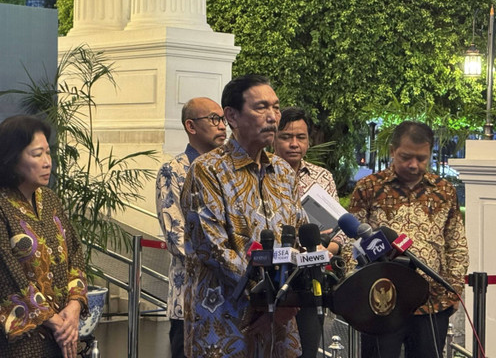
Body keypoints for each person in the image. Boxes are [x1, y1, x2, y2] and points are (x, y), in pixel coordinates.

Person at [181, 75, 306, 358]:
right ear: (232, 116)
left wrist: (289, 300)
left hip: (281, 326)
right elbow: (214, 250)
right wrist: (274, 298)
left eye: (276, 108)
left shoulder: (284, 173)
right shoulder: (207, 170)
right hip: (227, 323)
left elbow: (298, 235)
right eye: (262, 107)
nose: (273, 117)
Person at [0, 115, 88, 358]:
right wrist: (56, 322)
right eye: (36, 154)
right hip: (13, 344)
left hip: (60, 335)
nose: (47, 162)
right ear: (12, 160)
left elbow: (75, 254)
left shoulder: (50, 199)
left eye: (48, 153)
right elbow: (3, 280)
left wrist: (74, 307)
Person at [349, 121, 469, 358]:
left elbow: (456, 242)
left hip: (432, 303)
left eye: (421, 158)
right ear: (392, 151)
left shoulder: (444, 191)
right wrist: (354, 290)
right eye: (406, 157)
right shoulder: (369, 188)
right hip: (380, 302)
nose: (414, 165)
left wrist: (454, 290)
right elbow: (349, 242)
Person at [155, 97, 227, 358]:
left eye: (224, 119)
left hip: (232, 300)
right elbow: (176, 236)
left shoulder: (228, 169)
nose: (222, 126)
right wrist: (226, 262)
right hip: (191, 299)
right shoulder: (173, 171)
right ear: (191, 126)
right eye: (214, 119)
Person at [273, 106, 345, 358]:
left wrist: (328, 249)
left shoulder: (322, 177)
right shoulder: (261, 173)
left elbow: (340, 229)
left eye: (300, 137)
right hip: (273, 279)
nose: (294, 144)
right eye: (286, 136)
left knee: (308, 350)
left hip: (312, 280)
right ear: (273, 137)